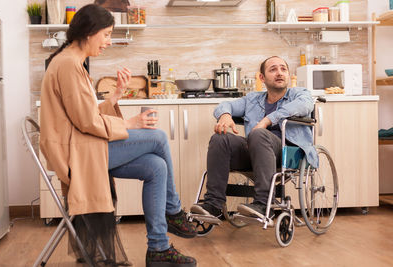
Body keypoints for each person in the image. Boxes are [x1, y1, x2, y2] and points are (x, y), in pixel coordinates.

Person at [40, 4, 197, 267]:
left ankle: (158, 249)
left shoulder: (72, 62)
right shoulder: (68, 65)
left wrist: (116, 95)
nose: (108, 42)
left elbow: (83, 116)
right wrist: (132, 122)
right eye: (107, 34)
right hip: (77, 154)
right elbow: (87, 122)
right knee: (157, 137)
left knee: (157, 167)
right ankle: (174, 211)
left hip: (84, 147)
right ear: (90, 32)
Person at [190, 56, 318, 220]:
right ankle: (214, 204)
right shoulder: (252, 99)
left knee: (258, 133)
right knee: (220, 138)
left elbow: (306, 105)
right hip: (254, 152)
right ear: (262, 78)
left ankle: (264, 203)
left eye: (283, 69)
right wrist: (225, 115)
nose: (279, 73)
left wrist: (267, 120)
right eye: (273, 69)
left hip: (286, 153)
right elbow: (224, 105)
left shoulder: (299, 94)